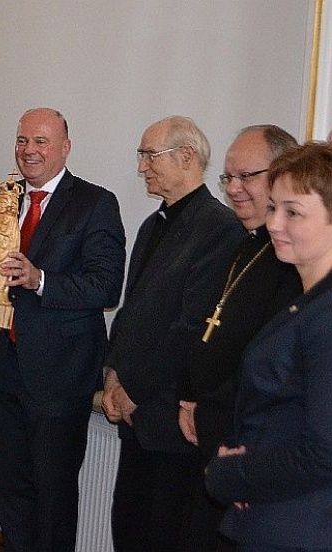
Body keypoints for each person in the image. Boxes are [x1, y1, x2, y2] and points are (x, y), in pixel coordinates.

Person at [0, 108, 126, 551]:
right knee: (11, 492)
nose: (28, 151)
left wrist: (40, 280)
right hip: (3, 371)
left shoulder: (95, 203)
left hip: (61, 378)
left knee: (53, 498)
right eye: (22, 141)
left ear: (64, 148)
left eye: (40, 141)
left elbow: (105, 285)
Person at [101, 115, 246, 551]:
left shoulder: (219, 229)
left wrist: (135, 389)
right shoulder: (152, 226)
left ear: (186, 157)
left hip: (170, 422)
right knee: (128, 529)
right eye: (141, 156)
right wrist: (111, 374)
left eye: (150, 155)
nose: (142, 166)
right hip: (136, 418)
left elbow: (191, 328)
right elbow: (131, 314)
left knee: (163, 536)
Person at [177, 125, 301, 552]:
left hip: (245, 442)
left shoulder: (292, 262)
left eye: (246, 176)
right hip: (211, 433)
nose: (234, 189)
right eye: (228, 178)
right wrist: (193, 397)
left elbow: (270, 363)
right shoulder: (247, 246)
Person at [205, 142, 332, 551]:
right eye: (274, 207)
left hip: (303, 524)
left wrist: (233, 475)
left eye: (292, 212)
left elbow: (322, 451)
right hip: (276, 511)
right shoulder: (307, 300)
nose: (274, 223)